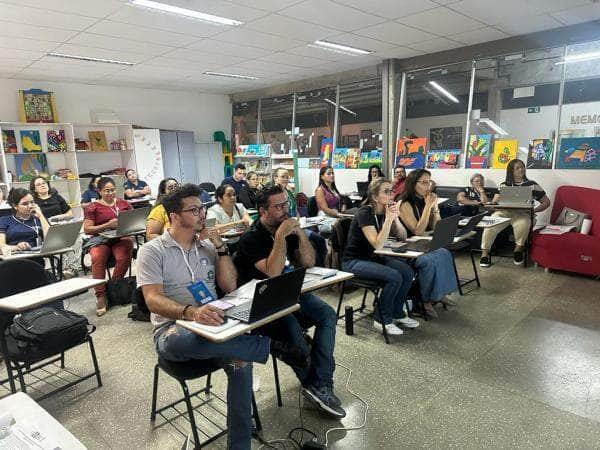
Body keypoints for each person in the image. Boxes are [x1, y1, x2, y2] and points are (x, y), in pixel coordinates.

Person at [137, 184, 308, 450]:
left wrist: (220, 248)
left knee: (241, 362)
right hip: (174, 330)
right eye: (193, 210)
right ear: (174, 216)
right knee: (180, 339)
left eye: (202, 208)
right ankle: (267, 347)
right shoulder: (153, 251)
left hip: (217, 326)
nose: (202, 214)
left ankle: (239, 445)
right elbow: (152, 300)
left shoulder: (206, 246)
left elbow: (229, 287)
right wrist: (191, 312)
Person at [236, 184, 346, 418]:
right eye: (278, 206)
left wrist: (300, 235)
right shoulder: (251, 238)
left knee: (327, 314)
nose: (285, 210)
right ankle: (314, 384)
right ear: (263, 211)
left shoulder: (287, 228)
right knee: (293, 329)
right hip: (261, 302)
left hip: (288, 290)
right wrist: (280, 237)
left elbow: (308, 262)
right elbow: (273, 272)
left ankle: (320, 382)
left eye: (286, 204)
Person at [342, 179, 417, 335]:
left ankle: (397, 312)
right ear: (375, 197)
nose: (392, 194)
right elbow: (377, 244)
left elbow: (403, 236)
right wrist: (389, 219)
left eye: (392, 190)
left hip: (373, 258)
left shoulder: (384, 212)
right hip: (354, 261)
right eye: (386, 191)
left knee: (407, 272)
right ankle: (381, 318)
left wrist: (395, 218)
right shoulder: (365, 213)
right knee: (394, 276)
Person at [398, 169, 459, 318]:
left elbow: (436, 227)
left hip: (422, 242)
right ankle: (425, 300)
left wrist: (435, 208)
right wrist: (427, 207)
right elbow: (418, 230)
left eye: (429, 182)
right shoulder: (404, 203)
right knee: (428, 262)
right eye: (424, 182)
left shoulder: (425, 199)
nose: (428, 186)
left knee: (444, 254)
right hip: (408, 247)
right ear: (413, 184)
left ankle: (440, 293)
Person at [480, 159, 551, 267]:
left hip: (522, 214)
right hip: (503, 213)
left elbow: (546, 202)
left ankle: (518, 250)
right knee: (490, 225)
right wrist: (491, 204)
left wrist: (534, 210)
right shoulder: (504, 185)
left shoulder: (532, 185)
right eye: (517, 168)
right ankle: (484, 255)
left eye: (522, 166)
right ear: (511, 171)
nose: (521, 169)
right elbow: (495, 201)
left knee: (524, 223)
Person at [83, 177, 134, 316]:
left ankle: (113, 286)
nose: (110, 193)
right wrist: (107, 225)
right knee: (97, 257)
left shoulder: (124, 203)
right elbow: (87, 229)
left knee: (124, 254)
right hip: (100, 238)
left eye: (112, 190)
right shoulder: (92, 207)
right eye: (106, 191)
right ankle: (100, 295)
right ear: (99, 191)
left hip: (121, 237)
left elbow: (133, 220)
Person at [272, 168, 327, 266]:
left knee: (319, 239)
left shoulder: (288, 192)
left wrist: (299, 219)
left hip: (296, 226)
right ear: (275, 178)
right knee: (313, 242)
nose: (285, 179)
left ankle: (323, 266)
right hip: (284, 229)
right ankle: (316, 266)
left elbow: (295, 209)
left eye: (287, 177)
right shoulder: (273, 195)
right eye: (282, 177)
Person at [30, 176, 81, 276]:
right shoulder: (34, 202)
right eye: (39, 184)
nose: (42, 185)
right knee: (58, 243)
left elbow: (70, 214)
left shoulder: (56, 197)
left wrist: (57, 217)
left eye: (44, 183)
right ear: (34, 189)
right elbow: (34, 218)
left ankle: (69, 269)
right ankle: (64, 270)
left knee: (77, 239)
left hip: (61, 225)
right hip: (46, 230)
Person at [0, 188, 49, 262]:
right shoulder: (4, 220)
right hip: (14, 261)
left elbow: (50, 240)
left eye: (32, 202)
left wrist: (41, 215)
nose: (30, 206)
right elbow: (1, 246)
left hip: (36, 260)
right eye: (25, 204)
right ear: (15, 206)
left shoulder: (39, 219)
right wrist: (17, 247)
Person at [314, 166, 344, 233]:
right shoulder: (319, 190)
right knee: (342, 224)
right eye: (329, 174)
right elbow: (325, 210)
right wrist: (340, 216)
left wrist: (343, 213)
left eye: (332, 173)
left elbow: (341, 203)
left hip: (336, 216)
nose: (332, 175)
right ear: (322, 177)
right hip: (324, 218)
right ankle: (336, 242)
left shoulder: (333, 189)